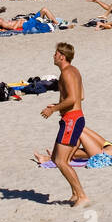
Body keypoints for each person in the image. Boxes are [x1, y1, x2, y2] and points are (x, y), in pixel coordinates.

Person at [40, 42, 89, 207]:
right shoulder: (75, 71)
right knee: (57, 158)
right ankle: (75, 193)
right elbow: (81, 96)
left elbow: (73, 99)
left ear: (61, 56)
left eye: (55, 54)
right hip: (74, 118)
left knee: (61, 161)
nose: (53, 56)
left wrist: (54, 108)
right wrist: (60, 104)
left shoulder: (66, 73)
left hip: (72, 120)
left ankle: (82, 195)